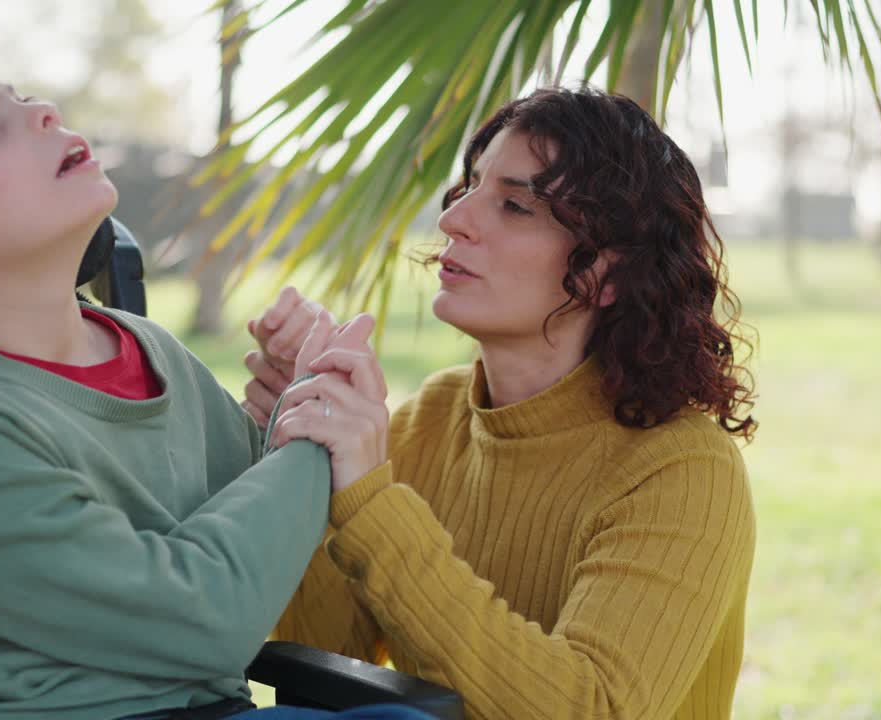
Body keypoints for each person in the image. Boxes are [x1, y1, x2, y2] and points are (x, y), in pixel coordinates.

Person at [0, 38, 429, 720]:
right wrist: (316, 423)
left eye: (20, 97)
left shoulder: (147, 350)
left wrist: (283, 411)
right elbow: (204, 616)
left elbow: (259, 529)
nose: (41, 113)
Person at [244, 86, 759, 719]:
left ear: (609, 275)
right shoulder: (427, 422)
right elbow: (319, 656)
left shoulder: (681, 470)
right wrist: (303, 461)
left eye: (515, 205)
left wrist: (373, 501)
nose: (453, 219)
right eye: (469, 188)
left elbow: (590, 709)